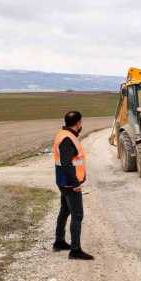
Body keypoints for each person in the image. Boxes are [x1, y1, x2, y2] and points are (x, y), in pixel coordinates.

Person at [52, 111, 94, 260]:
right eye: (81, 122)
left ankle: (59, 241)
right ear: (77, 123)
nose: (81, 125)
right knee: (77, 214)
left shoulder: (63, 134)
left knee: (65, 210)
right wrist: (75, 183)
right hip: (70, 183)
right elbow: (66, 163)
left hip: (63, 181)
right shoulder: (68, 139)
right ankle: (75, 250)